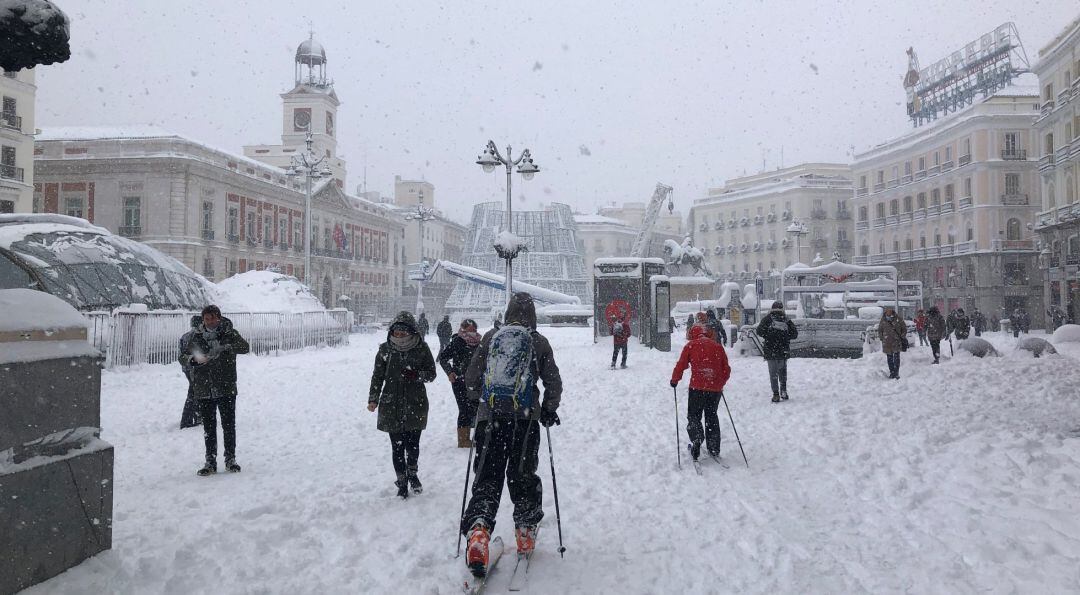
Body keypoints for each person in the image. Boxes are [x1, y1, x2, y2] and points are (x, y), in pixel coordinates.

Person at [462, 292, 562, 577]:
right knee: (523, 476)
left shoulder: (491, 338)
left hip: (490, 421)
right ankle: (526, 530)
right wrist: (549, 409)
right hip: (525, 422)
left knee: (487, 478)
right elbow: (553, 381)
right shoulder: (538, 342)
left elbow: (472, 378)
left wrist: (476, 402)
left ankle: (479, 531)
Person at [368, 311, 437, 499]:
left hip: (416, 404)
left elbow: (431, 373)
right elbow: (377, 376)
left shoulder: (421, 348)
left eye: (402, 333)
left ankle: (413, 473)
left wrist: (417, 375)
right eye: (396, 332)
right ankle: (402, 480)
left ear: (411, 332)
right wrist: (373, 398)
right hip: (391, 405)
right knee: (397, 446)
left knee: (413, 444)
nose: (398, 336)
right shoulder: (385, 350)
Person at [178, 305, 250, 476]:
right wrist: (193, 360)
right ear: (203, 319)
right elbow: (183, 357)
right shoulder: (196, 337)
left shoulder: (229, 333)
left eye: (213, 318)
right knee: (209, 427)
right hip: (204, 389)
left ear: (219, 318)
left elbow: (245, 347)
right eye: (207, 318)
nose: (210, 321)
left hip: (226, 387)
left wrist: (227, 347)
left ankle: (230, 459)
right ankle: (210, 461)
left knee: (228, 425)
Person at [670, 324, 731, 461]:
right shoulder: (717, 347)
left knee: (694, 416)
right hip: (714, 389)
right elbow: (726, 369)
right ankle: (714, 447)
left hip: (697, 388)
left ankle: (697, 438)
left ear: (693, 334)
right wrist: (720, 383)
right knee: (711, 416)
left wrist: (675, 379)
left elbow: (681, 364)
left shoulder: (691, 346)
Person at [438, 318, 482, 448]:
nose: (472, 331)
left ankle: (476, 436)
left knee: (476, 407)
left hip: (476, 381)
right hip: (460, 381)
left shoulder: (480, 342)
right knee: (464, 408)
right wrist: (450, 372)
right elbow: (443, 358)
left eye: (474, 329)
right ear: (463, 329)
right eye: (469, 329)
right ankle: (463, 440)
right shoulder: (457, 341)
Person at [755, 301, 797, 402]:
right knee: (782, 371)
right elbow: (795, 334)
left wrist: (767, 335)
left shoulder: (768, 319)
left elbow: (759, 331)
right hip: (783, 350)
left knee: (773, 374)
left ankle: (776, 394)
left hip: (770, 350)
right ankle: (783, 391)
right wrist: (786, 337)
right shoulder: (786, 319)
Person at [178, 314, 203, 429]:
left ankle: (196, 416)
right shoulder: (198, 336)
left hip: (187, 369)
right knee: (193, 393)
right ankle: (187, 420)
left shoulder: (185, 336)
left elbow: (181, 354)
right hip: (196, 369)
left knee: (195, 391)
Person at [878, 307, 907, 379]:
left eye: (890, 311)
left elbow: (904, 328)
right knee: (889, 359)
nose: (889, 312)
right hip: (887, 342)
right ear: (886, 312)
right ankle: (892, 372)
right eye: (888, 311)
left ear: (892, 311)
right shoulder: (883, 320)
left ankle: (896, 373)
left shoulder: (898, 319)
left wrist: (902, 336)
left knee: (896, 358)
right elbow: (880, 330)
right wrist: (882, 338)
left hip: (896, 342)